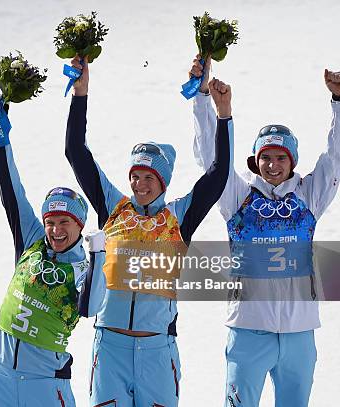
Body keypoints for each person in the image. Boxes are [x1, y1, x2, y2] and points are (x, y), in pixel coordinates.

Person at [64, 55, 233, 407]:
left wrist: (223, 114)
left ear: (163, 181)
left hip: (157, 349)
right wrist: (81, 93)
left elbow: (218, 175)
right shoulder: (114, 208)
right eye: (135, 176)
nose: (140, 184)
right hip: (110, 347)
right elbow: (75, 152)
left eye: (149, 177)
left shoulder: (179, 217)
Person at [191, 56, 340, 407]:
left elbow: (337, 159)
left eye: (280, 158)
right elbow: (210, 161)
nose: (273, 165)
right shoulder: (238, 198)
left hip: (299, 333)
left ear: (291, 161)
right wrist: (203, 100)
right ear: (255, 161)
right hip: (248, 330)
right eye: (266, 157)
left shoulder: (309, 196)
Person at [0, 100, 107, 407]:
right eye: (50, 222)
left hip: (45, 383)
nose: (56, 230)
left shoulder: (82, 265)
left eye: (65, 223)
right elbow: (11, 188)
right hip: (0, 374)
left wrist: (99, 256)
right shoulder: (32, 239)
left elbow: (89, 308)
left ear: (79, 225)